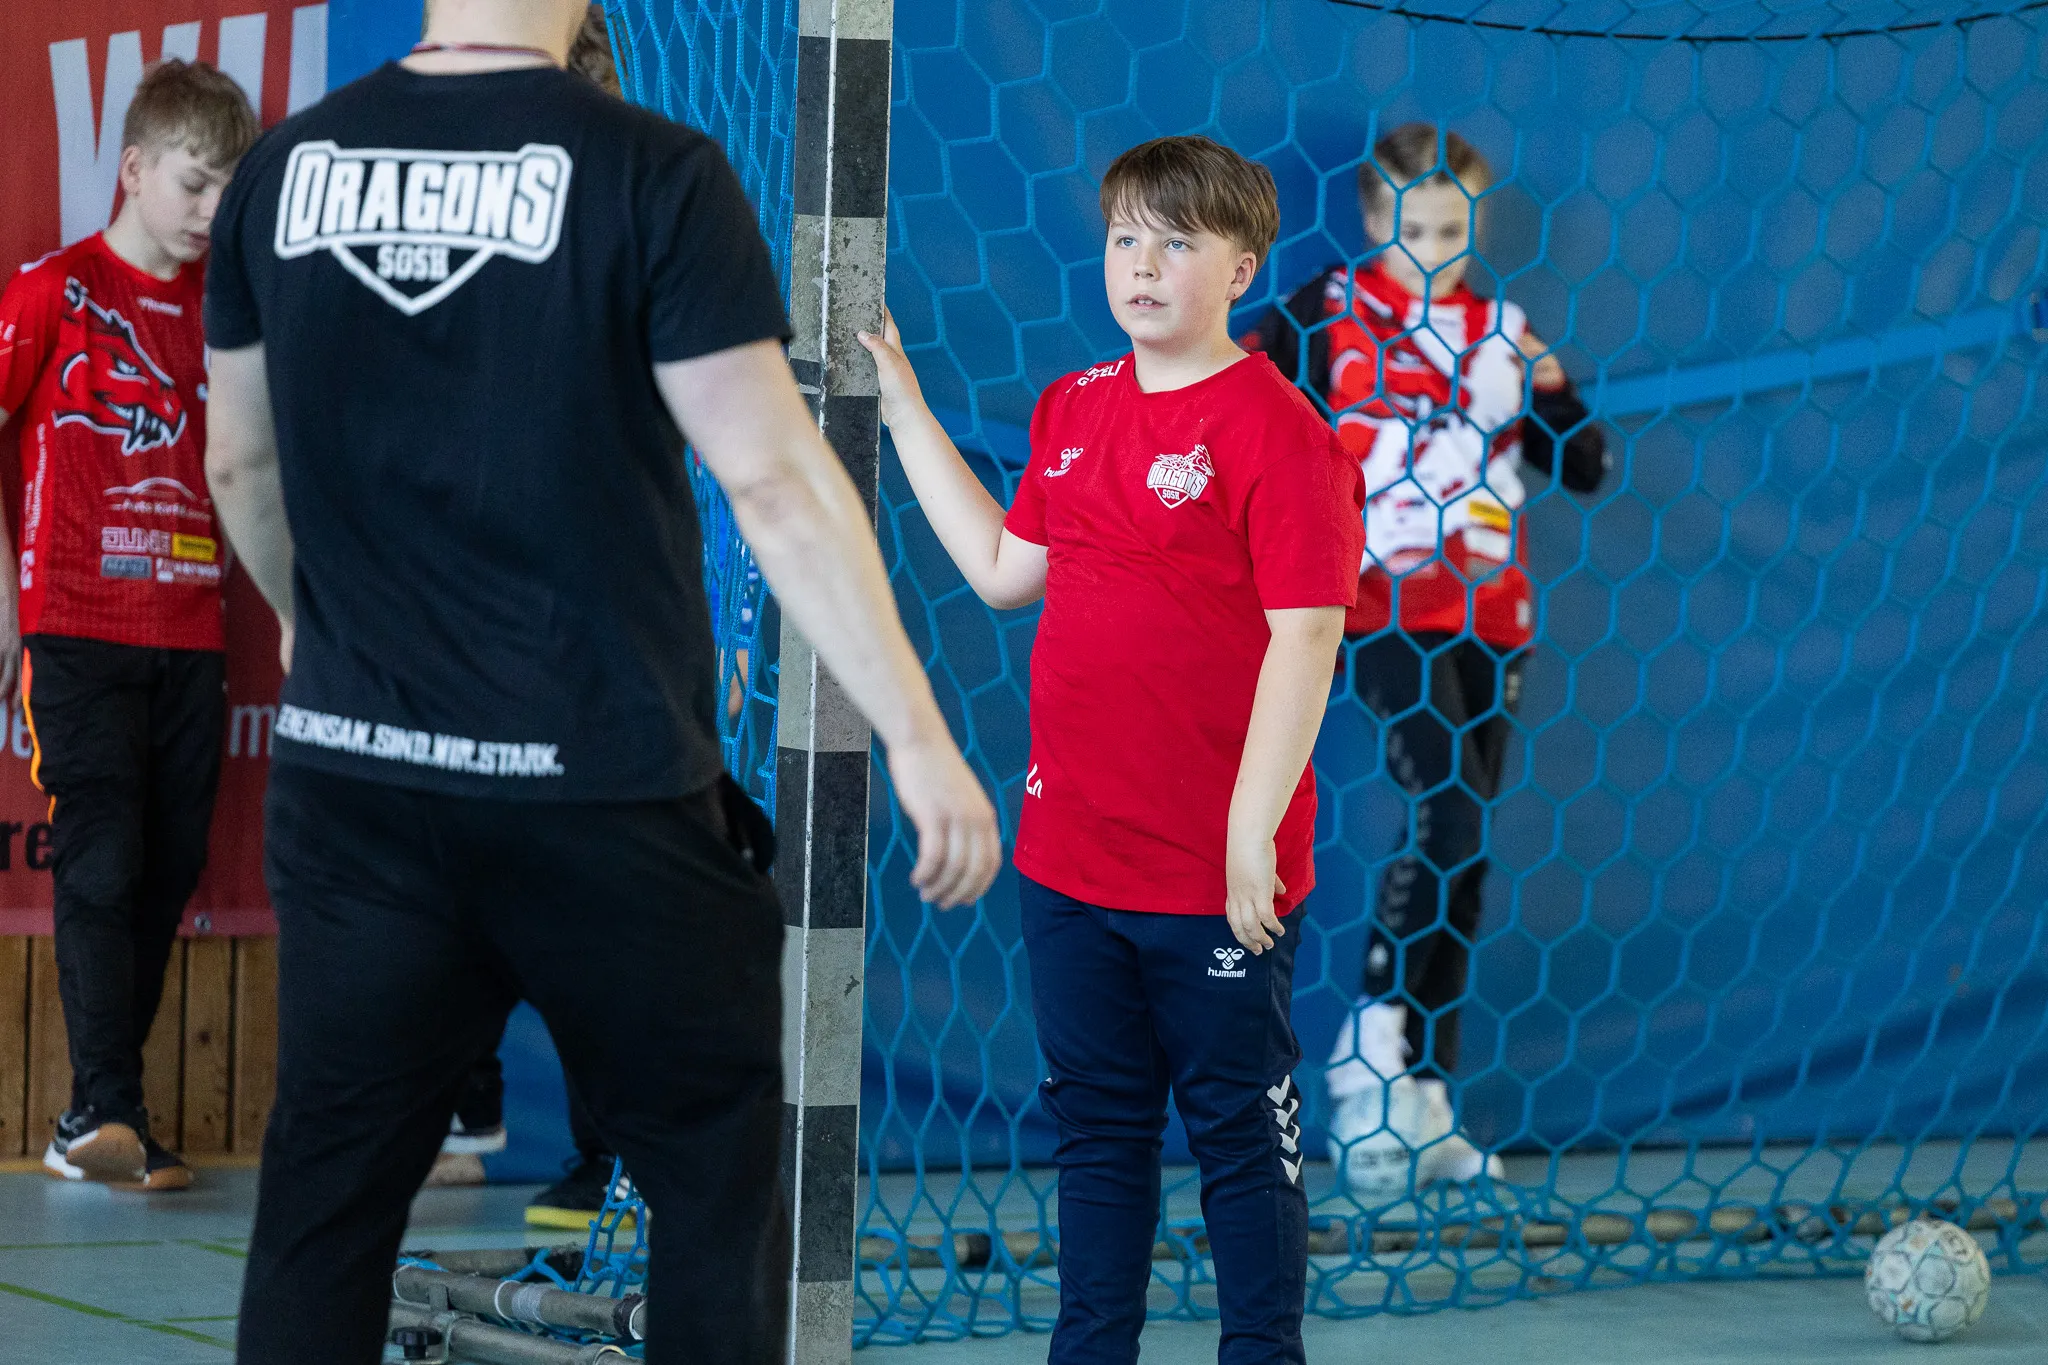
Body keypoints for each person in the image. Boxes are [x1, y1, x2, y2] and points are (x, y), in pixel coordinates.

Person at [199, 1, 1001, 1362]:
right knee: (709, 1165)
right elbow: (769, 477)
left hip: (359, 787)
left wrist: (309, 626)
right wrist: (915, 737)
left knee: (325, 1204)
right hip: (597, 786)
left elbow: (240, 465)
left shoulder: (283, 169)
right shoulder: (653, 169)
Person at [860, 136, 1365, 1365]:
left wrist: (1251, 831)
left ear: (1241, 268)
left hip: (1214, 879)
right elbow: (998, 573)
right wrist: (906, 409)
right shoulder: (1073, 407)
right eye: (1125, 238)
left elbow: (1304, 641)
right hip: (1070, 865)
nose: (1142, 265)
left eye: (1177, 243)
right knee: (1096, 1135)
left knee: (1241, 1137)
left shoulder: (1277, 431)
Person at [1247, 124, 1609, 1201]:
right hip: (1377, 603)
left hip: (1491, 613)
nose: (1434, 249)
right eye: (1413, 229)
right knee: (1443, 817)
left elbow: (1583, 465)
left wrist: (1545, 386)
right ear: (1372, 218)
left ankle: (1426, 1098)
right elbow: (1248, 415)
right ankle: (1363, 1078)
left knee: (1466, 849)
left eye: (1453, 230)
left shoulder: (1501, 327)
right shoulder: (1326, 309)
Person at [0, 60, 257, 1192]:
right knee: (100, 852)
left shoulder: (229, 314)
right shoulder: (53, 288)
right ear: (136, 167)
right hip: (75, 621)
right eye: (195, 186)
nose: (211, 213)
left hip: (194, 635)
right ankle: (100, 1112)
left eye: (228, 194)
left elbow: (255, 465)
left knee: (169, 868)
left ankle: (103, 1112)